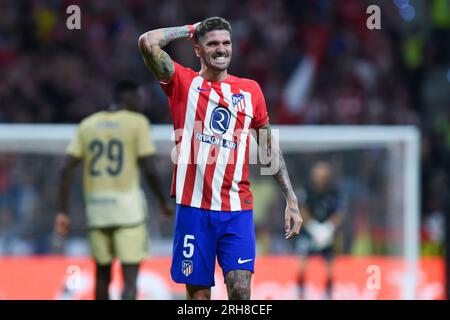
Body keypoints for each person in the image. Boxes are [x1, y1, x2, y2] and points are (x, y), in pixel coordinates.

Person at [138, 17, 303, 300]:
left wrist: (291, 199)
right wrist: (191, 29)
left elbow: (268, 147)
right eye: (212, 43)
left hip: (236, 210)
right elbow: (148, 43)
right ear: (198, 50)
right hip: (193, 210)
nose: (221, 49)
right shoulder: (183, 83)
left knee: (240, 290)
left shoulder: (250, 91)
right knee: (199, 297)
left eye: (226, 43)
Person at [54, 80, 173, 300]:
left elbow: (65, 169)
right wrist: (163, 202)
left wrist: (63, 211)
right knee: (129, 281)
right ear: (130, 98)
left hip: (97, 211)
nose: (140, 104)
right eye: (139, 99)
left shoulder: (88, 125)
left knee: (102, 276)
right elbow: (149, 168)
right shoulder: (137, 123)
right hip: (128, 212)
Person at [296, 161, 343, 300]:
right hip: (309, 232)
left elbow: (339, 212)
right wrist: (314, 228)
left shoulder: (334, 191)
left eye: (324, 175)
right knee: (302, 264)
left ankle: (328, 295)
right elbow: (302, 209)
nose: (321, 178)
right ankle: (300, 293)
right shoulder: (306, 190)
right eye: (318, 174)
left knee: (330, 266)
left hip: (327, 233)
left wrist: (328, 228)